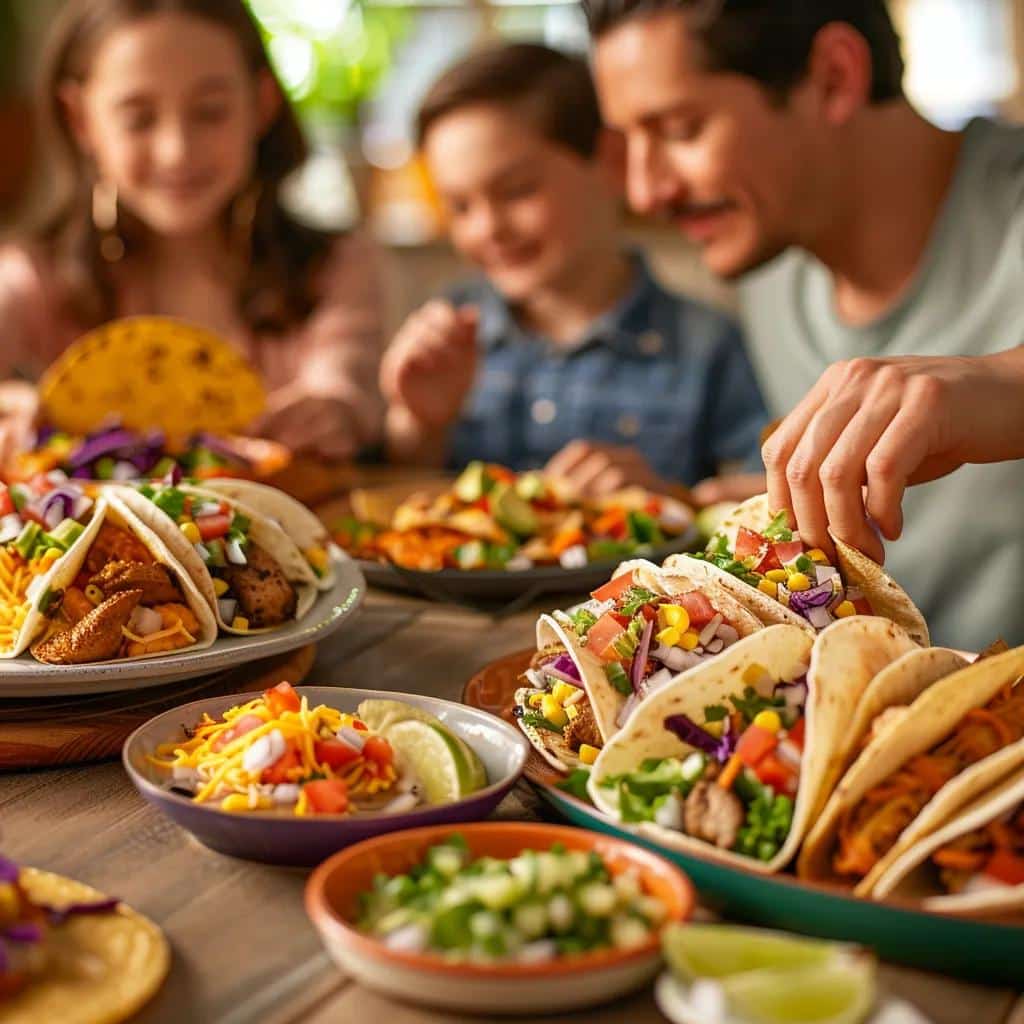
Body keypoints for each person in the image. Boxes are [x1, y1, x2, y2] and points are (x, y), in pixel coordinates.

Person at [584, 0, 1024, 649]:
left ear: (834, 78)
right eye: (630, 143)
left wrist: (1004, 384)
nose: (646, 192)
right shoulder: (769, 266)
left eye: (680, 129)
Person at [0, 0, 385, 466]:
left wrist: (334, 411)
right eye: (139, 118)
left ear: (261, 104)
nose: (176, 151)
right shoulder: (30, 277)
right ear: (81, 120)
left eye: (210, 111)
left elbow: (346, 382)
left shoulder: (337, 266)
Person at [379, 42, 768, 500]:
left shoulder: (707, 345)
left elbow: (764, 499)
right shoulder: (443, 337)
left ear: (609, 161)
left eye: (517, 190)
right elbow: (397, 507)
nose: (489, 228)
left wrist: (670, 500)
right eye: (460, 206)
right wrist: (418, 425)